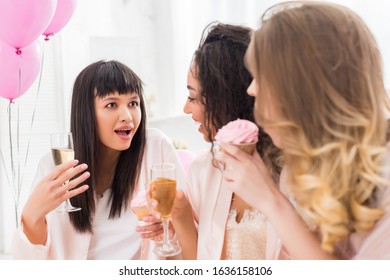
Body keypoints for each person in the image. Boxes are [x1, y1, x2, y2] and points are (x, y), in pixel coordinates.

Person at [215, 1, 390, 259]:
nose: (251, 89)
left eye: (262, 75)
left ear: (300, 87)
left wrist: (270, 201)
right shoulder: (297, 170)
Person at [11, 60, 186, 259]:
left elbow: (188, 225)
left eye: (133, 103)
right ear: (86, 114)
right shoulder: (54, 166)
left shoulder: (154, 147)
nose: (127, 116)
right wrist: (32, 215)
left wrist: (169, 228)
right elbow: (28, 263)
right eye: (111, 104)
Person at [171, 22, 281, 259]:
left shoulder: (292, 172)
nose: (186, 108)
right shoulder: (203, 170)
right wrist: (179, 214)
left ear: (227, 98)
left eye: (193, 97)